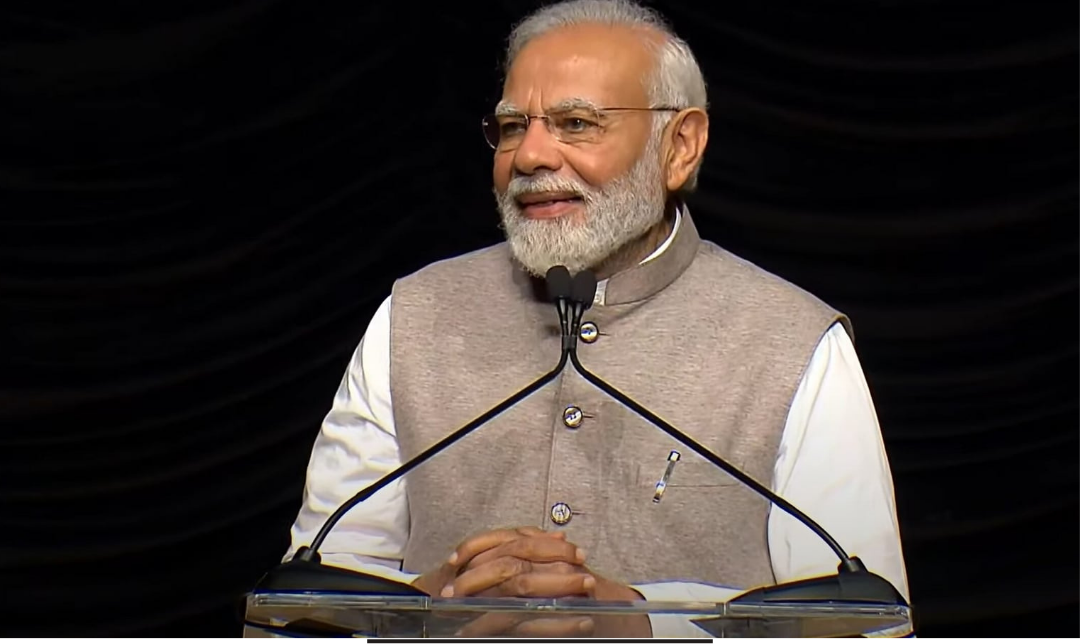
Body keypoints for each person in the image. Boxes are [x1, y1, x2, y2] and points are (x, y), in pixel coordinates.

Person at [285, 0, 910, 637]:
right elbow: (297, 614)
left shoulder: (793, 341)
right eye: (511, 126)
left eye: (576, 123)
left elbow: (863, 626)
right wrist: (423, 611)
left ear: (680, 147)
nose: (529, 156)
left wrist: (645, 626)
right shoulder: (415, 315)